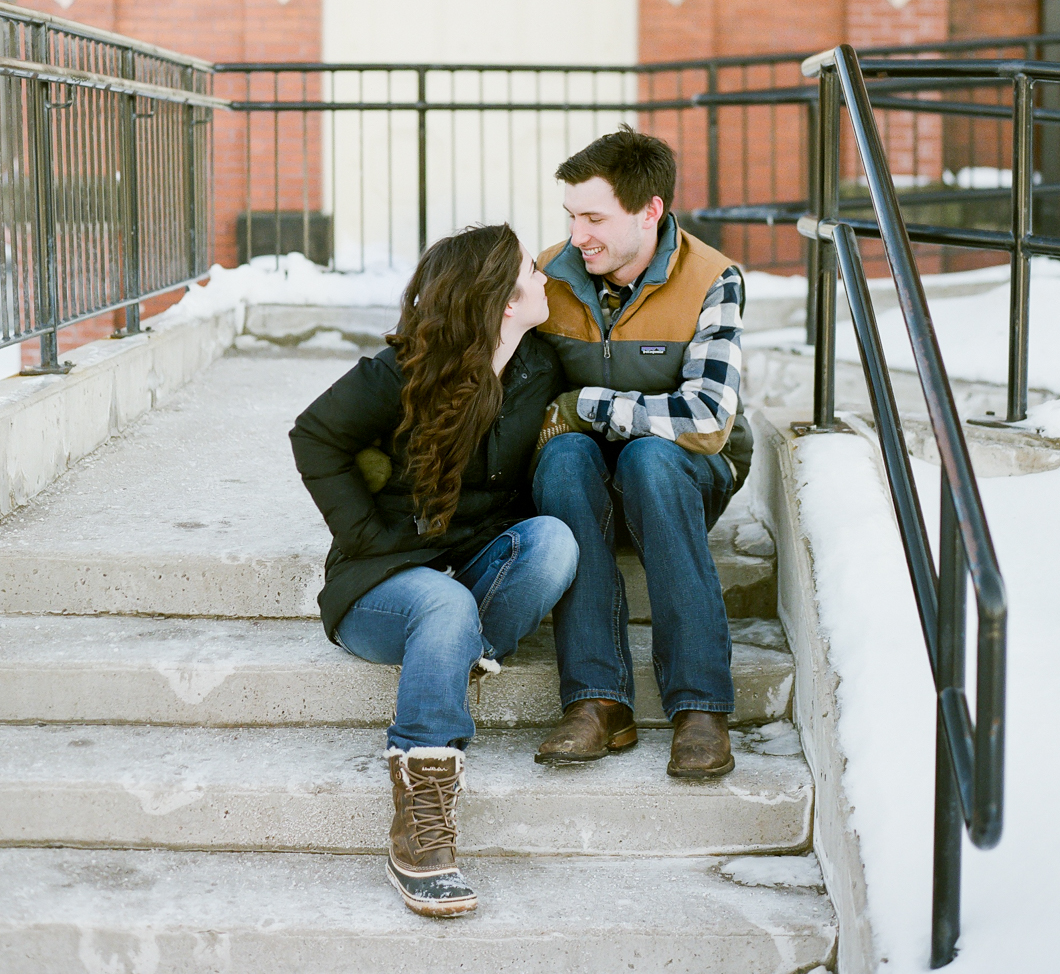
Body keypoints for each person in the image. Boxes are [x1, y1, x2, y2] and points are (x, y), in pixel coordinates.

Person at [290, 224, 577, 919]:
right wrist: (364, 533)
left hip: (467, 566)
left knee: (554, 543)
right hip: (380, 587)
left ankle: (450, 662)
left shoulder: (538, 366)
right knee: (445, 606)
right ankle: (419, 827)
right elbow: (313, 434)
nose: (543, 279)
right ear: (501, 300)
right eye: (529, 275)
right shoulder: (403, 370)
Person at [530, 127, 752, 779]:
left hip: (681, 477)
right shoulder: (549, 276)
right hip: (581, 486)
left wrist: (588, 405)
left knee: (648, 459)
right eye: (571, 216)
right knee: (565, 457)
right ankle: (596, 702)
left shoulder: (712, 279)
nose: (578, 235)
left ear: (649, 210)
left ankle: (700, 707)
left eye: (594, 218)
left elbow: (707, 419)